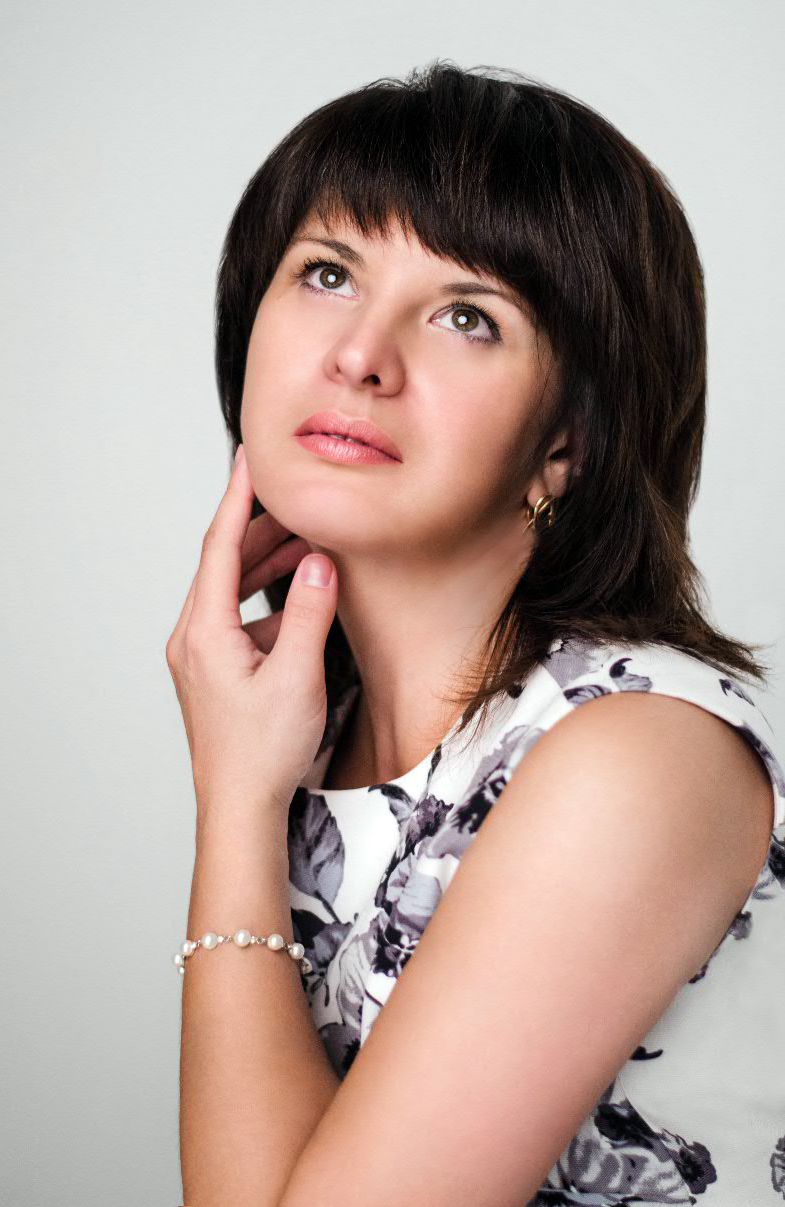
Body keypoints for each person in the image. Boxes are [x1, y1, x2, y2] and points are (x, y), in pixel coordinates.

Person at [173, 60, 785, 1205]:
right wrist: (245, 793)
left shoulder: (631, 753)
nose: (359, 355)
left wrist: (233, 807)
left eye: (466, 316)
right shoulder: (310, 734)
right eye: (326, 272)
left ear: (566, 441)